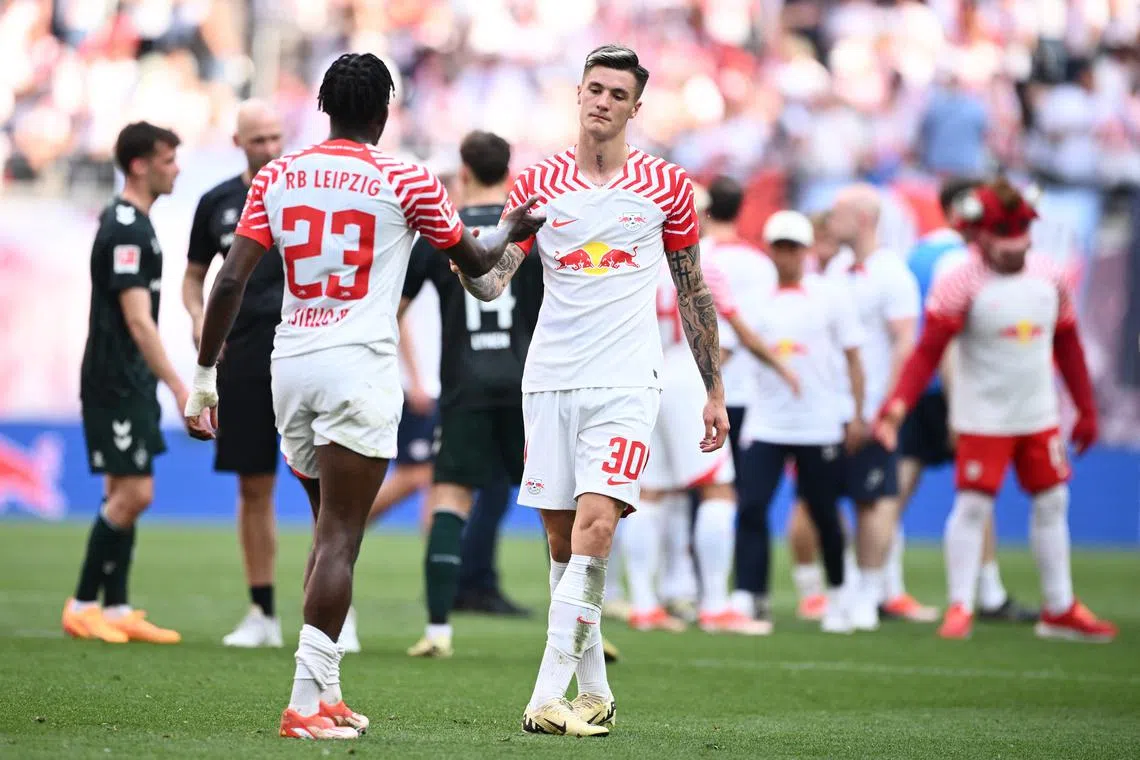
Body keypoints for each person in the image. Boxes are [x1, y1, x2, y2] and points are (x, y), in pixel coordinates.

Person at [183, 52, 545, 740]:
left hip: (289, 366)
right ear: (385, 109)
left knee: (328, 535)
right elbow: (474, 262)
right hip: (358, 368)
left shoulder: (278, 175)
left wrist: (204, 377)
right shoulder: (405, 176)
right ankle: (300, 701)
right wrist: (512, 231)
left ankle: (327, 693)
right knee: (342, 540)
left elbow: (227, 282)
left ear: (322, 106)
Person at [453, 45, 728, 737]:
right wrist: (477, 242)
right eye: (594, 90)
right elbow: (490, 284)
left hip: (627, 382)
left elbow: (692, 290)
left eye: (617, 94)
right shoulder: (538, 182)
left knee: (596, 527)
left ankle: (545, 695)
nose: (602, 102)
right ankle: (596, 691)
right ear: (577, 95)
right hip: (548, 380)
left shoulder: (666, 186)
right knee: (561, 542)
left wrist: (713, 391)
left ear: (637, 108)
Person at [876, 177, 1116, 643]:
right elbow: (927, 351)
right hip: (982, 413)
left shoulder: (1049, 274)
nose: (1015, 245)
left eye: (1021, 231)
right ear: (980, 234)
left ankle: (1060, 607)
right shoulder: (959, 281)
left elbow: (1068, 345)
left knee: (1052, 501)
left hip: (1038, 412)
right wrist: (898, 404)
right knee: (973, 503)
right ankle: (962, 604)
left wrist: (1085, 409)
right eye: (1004, 233)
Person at [403, 130, 541, 658]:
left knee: (451, 500)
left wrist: (413, 377)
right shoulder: (531, 230)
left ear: (462, 172)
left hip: (464, 382)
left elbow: (394, 311)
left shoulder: (444, 233)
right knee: (560, 502)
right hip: (528, 383)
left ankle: (439, 630)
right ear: (509, 171)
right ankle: (583, 633)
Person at [627, 214, 794, 636]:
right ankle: (716, 605)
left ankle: (645, 604)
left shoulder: (635, 261)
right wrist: (781, 368)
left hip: (645, 375)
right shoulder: (702, 264)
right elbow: (736, 328)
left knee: (651, 493)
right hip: (688, 376)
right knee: (717, 489)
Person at [62, 122, 186, 645]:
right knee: (134, 494)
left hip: (127, 379)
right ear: (139, 164)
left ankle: (115, 608)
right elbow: (138, 320)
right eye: (167, 158)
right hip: (116, 379)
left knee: (123, 490)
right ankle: (84, 603)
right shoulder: (127, 228)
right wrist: (180, 386)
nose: (175, 167)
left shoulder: (137, 222)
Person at [895, 178, 1036, 623]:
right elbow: (952, 335)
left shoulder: (918, 252)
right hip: (961, 383)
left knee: (896, 488)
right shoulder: (963, 260)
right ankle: (987, 591)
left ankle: (879, 585)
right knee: (979, 488)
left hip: (920, 384)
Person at [182, 99, 287, 648]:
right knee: (253, 486)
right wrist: (202, 325)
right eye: (258, 141)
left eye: (276, 138)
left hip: (301, 348)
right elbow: (194, 278)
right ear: (238, 143)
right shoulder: (217, 202)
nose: (269, 149)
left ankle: (337, 616)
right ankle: (263, 613)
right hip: (241, 356)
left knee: (328, 484)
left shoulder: (302, 191)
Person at [731, 210, 863, 634]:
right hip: (767, 421)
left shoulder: (831, 296)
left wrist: (855, 413)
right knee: (752, 507)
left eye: (793, 247)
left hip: (818, 420)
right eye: (779, 247)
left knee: (824, 510)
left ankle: (841, 593)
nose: (786, 255)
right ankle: (751, 596)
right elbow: (732, 347)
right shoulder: (756, 299)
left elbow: (853, 356)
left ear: (806, 250)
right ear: (770, 250)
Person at [822, 184, 921, 631]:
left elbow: (905, 344)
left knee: (874, 499)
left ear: (863, 218)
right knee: (823, 498)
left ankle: (868, 590)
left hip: (874, 404)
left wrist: (890, 409)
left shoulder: (892, 273)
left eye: (838, 212)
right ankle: (843, 589)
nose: (829, 220)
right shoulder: (837, 268)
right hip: (832, 407)